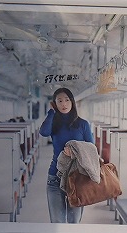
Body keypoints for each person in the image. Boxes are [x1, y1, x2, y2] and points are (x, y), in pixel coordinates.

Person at [39, 87, 94, 223]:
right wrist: (51, 112)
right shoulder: (54, 123)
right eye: (59, 101)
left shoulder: (83, 124)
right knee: (56, 222)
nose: (64, 104)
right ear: (55, 104)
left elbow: (92, 150)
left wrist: (74, 151)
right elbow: (44, 132)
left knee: (74, 222)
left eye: (67, 100)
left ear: (72, 102)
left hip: (77, 178)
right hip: (55, 177)